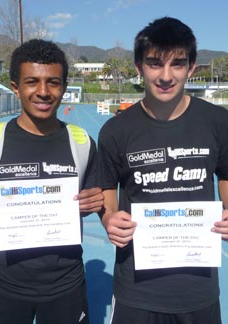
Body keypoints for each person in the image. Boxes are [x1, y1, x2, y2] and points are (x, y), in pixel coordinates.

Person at [98, 16, 228, 324]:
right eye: (155, 64)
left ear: (192, 68)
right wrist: (108, 218)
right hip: (136, 290)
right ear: (139, 66)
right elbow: (107, 188)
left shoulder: (218, 122)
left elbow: (225, 173)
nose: (166, 76)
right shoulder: (116, 130)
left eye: (178, 64)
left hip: (198, 289)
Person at [0, 39, 103, 324]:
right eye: (32, 81)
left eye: (54, 82)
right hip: (2, 287)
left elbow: (99, 198)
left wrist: (95, 201)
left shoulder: (82, 143)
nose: (44, 92)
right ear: (15, 87)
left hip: (65, 288)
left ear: (64, 86)